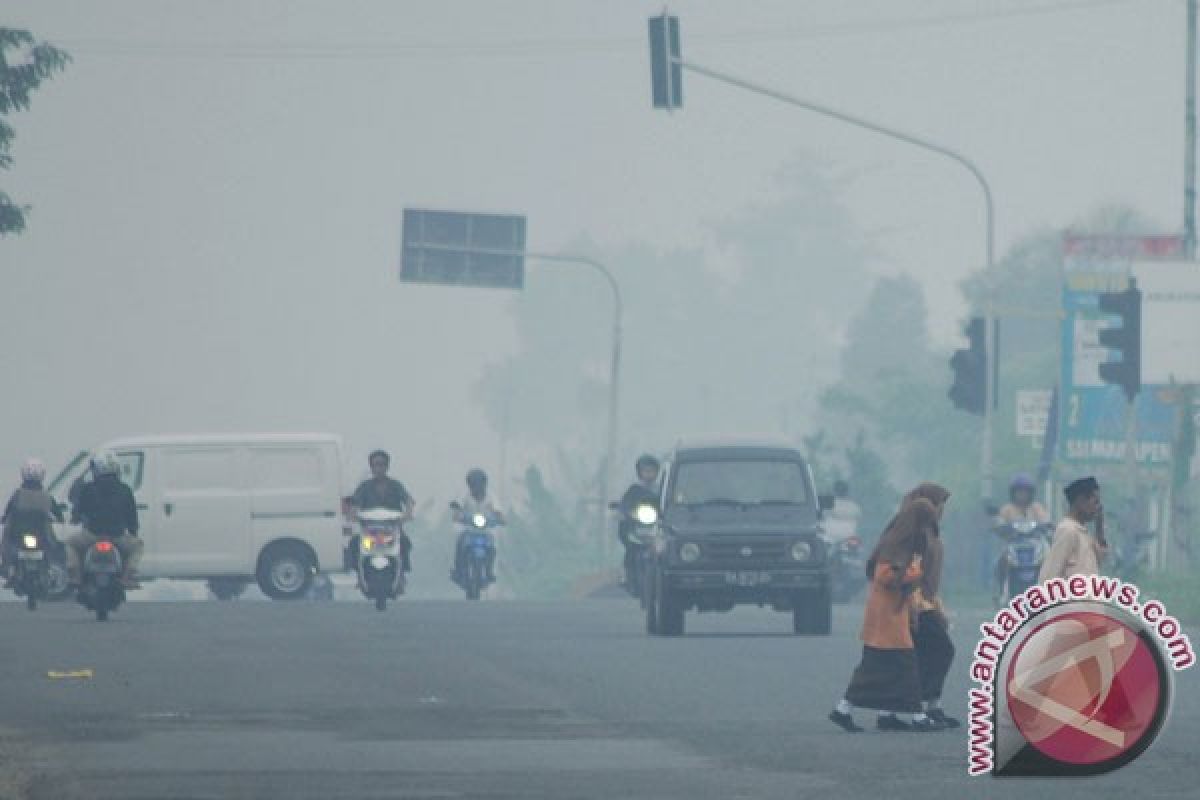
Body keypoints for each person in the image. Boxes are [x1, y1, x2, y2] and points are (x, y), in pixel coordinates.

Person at [829, 497, 941, 733]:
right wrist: (913, 573)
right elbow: (883, 575)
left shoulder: (905, 542)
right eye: (925, 522)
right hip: (886, 615)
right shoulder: (895, 544)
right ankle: (918, 716)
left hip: (892, 614)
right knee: (906, 665)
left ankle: (845, 709)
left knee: (874, 668)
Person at [903, 483, 960, 730]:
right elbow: (911, 573)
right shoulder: (916, 534)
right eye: (938, 505)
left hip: (927, 603)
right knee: (941, 650)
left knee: (923, 655)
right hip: (915, 604)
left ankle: (929, 706)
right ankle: (925, 706)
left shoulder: (930, 531)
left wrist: (938, 607)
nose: (941, 510)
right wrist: (914, 605)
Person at [66, 453, 143, 588]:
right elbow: (132, 516)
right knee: (137, 546)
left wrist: (76, 518)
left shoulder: (88, 489)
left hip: (92, 535)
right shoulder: (125, 490)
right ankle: (128, 577)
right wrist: (133, 532)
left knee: (70, 544)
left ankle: (75, 575)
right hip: (117, 536)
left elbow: (78, 512)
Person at [348, 450, 414, 572]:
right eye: (375, 465)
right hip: (370, 532)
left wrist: (408, 513)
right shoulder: (364, 487)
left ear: (387, 466)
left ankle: (402, 574)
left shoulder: (396, 485)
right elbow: (354, 503)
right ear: (371, 467)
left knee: (405, 543)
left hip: (392, 531)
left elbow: (408, 500)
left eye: (382, 464)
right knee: (354, 543)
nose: (379, 468)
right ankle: (360, 572)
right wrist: (352, 514)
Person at [2, 459, 63, 588]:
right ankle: (52, 569)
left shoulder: (18, 494)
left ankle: (7, 568)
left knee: (6, 541)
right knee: (54, 547)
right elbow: (58, 515)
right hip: (41, 534)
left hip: (18, 533)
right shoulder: (47, 496)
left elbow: (8, 511)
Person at [990, 473, 1051, 603]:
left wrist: (1046, 525)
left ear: (1030, 493)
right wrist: (1000, 527)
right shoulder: (1007, 509)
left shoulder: (1036, 508)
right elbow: (999, 523)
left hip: (1035, 543)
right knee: (1000, 561)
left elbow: (1045, 520)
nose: (1022, 495)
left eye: (1025, 492)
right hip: (1013, 543)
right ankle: (1001, 590)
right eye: (1019, 492)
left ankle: (1051, 590)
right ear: (1013, 493)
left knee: (1050, 560)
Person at [1039, 476, 1106, 582]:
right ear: (1081, 501)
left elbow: (1100, 559)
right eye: (1095, 502)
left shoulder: (1083, 533)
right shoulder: (1068, 530)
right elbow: (1049, 574)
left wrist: (1099, 527)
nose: (1098, 508)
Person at [451, 468, 504, 583]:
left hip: (485, 530)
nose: (477, 487)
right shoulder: (464, 496)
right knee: (459, 541)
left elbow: (499, 513)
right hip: (467, 529)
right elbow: (456, 510)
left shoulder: (492, 497)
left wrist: (500, 519)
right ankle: (458, 569)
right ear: (469, 485)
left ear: (485, 484)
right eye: (474, 485)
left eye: (479, 484)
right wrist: (458, 516)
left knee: (492, 547)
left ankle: (489, 570)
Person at [617, 454, 660, 586]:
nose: (648, 474)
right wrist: (626, 512)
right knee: (631, 548)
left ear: (657, 472)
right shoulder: (634, 490)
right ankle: (626, 573)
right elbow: (625, 505)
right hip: (637, 528)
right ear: (639, 473)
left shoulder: (662, 489)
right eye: (645, 471)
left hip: (657, 528)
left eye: (651, 470)